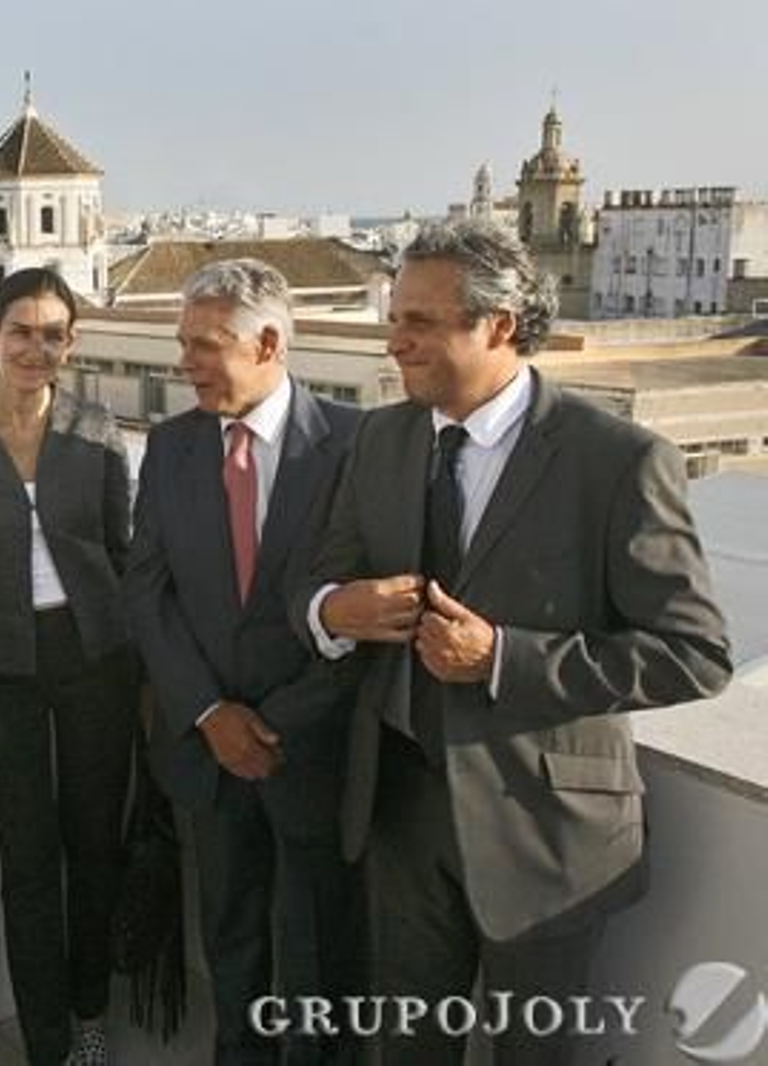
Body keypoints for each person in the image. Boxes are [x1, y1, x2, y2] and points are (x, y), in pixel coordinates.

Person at [298, 218, 732, 1064]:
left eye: (419, 322)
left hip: (547, 831)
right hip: (401, 810)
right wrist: (332, 613)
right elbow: (317, 584)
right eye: (393, 318)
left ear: (497, 326)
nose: (395, 341)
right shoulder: (379, 439)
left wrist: (502, 657)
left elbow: (695, 652)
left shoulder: (617, 461)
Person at [125, 260, 361, 1066]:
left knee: (319, 955)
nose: (185, 362)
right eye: (181, 343)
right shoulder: (169, 447)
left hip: (312, 752)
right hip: (208, 752)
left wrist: (274, 724)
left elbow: (364, 610)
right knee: (232, 942)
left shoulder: (356, 447)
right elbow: (147, 592)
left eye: (206, 344)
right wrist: (211, 715)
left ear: (268, 343)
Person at [0, 267, 135, 1066]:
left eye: (54, 335)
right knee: (29, 863)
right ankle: (48, 1041)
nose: (37, 348)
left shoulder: (94, 428)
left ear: (70, 345)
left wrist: (142, 679)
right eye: (22, 332)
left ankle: (89, 1015)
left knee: (95, 846)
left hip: (96, 661)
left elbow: (123, 552)